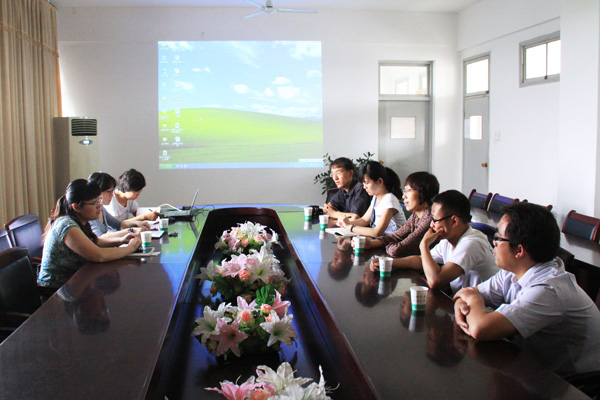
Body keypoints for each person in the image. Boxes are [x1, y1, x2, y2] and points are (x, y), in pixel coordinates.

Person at [454, 202, 600, 376]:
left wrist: (473, 300)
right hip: (533, 364)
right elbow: (465, 294)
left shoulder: (548, 289)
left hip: (571, 381)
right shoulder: (514, 270)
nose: (493, 243)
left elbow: (480, 328)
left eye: (498, 238)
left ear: (519, 250)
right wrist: (463, 302)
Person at [370, 190, 498, 293]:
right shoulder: (449, 239)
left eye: (435, 220)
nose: (431, 225)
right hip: (463, 301)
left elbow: (435, 280)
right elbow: (422, 260)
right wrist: (390, 262)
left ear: (454, 221)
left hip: (484, 307)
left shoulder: (471, 243)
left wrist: (424, 245)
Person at [38, 179, 142, 288]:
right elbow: (98, 255)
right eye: (94, 203)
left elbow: (96, 242)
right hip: (56, 291)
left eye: (99, 200)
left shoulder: (80, 221)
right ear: (76, 207)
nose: (99, 206)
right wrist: (130, 248)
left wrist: (121, 240)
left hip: (76, 284)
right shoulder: (67, 226)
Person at [359, 171, 439, 257]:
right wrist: (371, 243)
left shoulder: (429, 219)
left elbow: (398, 250)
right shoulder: (415, 215)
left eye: (408, 191)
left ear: (423, 192)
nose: (404, 196)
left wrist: (386, 245)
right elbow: (396, 237)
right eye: (404, 191)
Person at [337, 161, 406, 237]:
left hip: (394, 242)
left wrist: (350, 227)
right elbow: (364, 220)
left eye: (367, 183)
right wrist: (347, 223)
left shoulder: (389, 200)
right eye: (363, 183)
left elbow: (377, 232)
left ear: (380, 181)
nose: (364, 187)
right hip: (382, 240)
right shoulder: (376, 197)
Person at [88, 172, 151, 239]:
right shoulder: (89, 212)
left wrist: (137, 223)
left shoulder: (101, 208)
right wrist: (131, 230)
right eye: (109, 191)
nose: (112, 195)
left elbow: (119, 224)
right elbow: (99, 238)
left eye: (112, 191)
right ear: (97, 191)